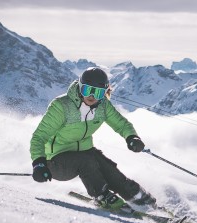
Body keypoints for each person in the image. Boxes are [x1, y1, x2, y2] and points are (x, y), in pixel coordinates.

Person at [29, 67, 155, 210]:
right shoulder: (62, 107)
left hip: (85, 152)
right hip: (55, 162)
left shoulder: (103, 106)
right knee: (87, 161)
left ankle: (139, 198)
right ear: (80, 88)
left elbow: (121, 124)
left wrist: (132, 137)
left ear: (105, 92)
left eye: (98, 92)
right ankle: (102, 197)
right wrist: (39, 164)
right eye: (88, 90)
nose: (92, 96)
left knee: (108, 168)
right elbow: (39, 137)